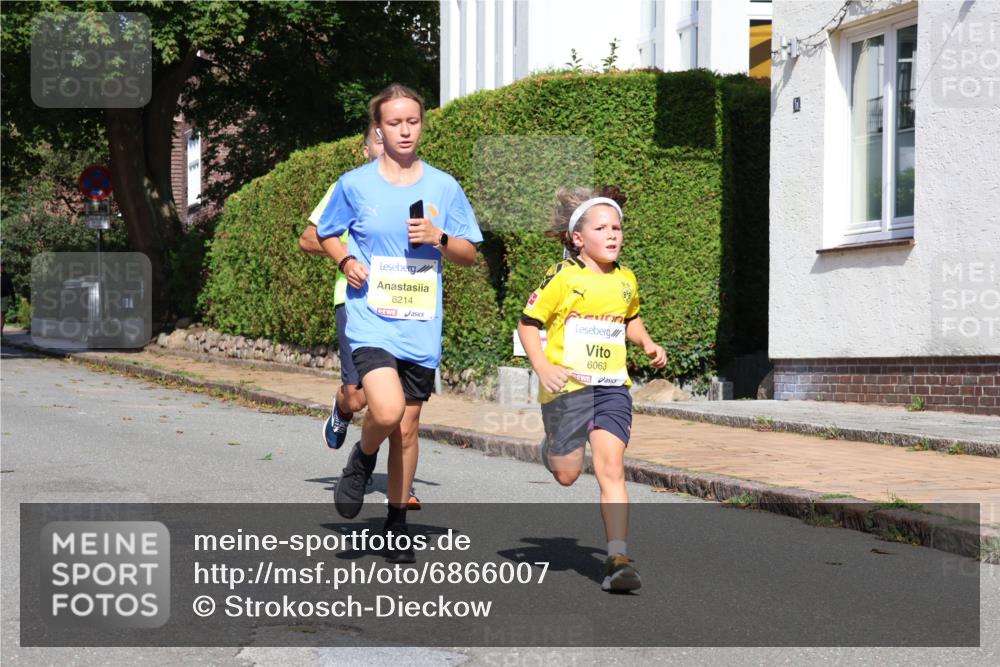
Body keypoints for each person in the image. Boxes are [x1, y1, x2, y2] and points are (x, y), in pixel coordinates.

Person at [316, 83, 481, 563]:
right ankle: (361, 459)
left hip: (420, 322)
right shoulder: (355, 184)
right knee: (384, 412)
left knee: (408, 429)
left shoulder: (443, 186)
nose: (405, 130)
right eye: (394, 123)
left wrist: (439, 236)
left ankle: (396, 524)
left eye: (412, 121)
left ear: (421, 125)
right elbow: (325, 233)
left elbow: (469, 253)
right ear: (379, 129)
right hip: (371, 316)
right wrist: (346, 261)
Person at [517, 186, 667, 593]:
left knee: (611, 467)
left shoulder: (626, 280)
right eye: (602, 228)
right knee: (566, 473)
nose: (613, 234)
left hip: (611, 386)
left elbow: (629, 318)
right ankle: (552, 448)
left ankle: (617, 558)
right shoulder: (563, 278)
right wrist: (543, 365)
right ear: (579, 239)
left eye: (617, 227)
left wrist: (647, 342)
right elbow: (528, 323)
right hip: (567, 388)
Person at [299, 127, 421, 510]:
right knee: (360, 396)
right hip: (356, 301)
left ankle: (401, 490)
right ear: (366, 148)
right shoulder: (349, 188)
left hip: (406, 304)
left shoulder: (418, 185)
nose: (387, 145)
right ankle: (342, 404)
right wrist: (351, 253)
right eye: (378, 139)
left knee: (402, 407)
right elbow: (308, 238)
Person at [1, 263, 13, 336]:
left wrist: (13, 297)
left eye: (3, 266)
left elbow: (11, 287)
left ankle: (1, 330)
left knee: (2, 313)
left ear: (5, 267)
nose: (1, 268)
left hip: (4, 296)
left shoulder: (7, 276)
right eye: (0, 266)